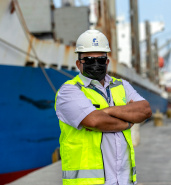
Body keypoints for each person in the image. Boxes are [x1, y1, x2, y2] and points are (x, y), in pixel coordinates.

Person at [55, 29, 152, 185]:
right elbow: (94, 121)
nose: (95, 64)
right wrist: (127, 122)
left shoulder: (121, 85)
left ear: (107, 62)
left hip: (124, 181)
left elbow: (145, 110)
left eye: (100, 60)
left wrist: (107, 111)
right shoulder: (69, 91)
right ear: (79, 63)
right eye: (89, 60)